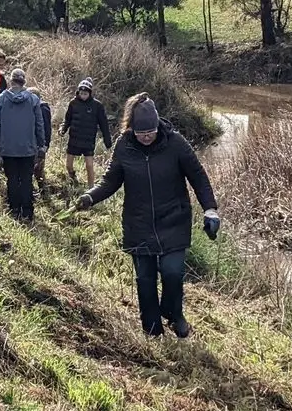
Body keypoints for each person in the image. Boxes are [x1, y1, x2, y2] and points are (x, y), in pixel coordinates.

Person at [76, 94, 220, 338]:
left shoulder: (175, 143)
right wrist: (90, 197)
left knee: (173, 273)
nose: (146, 137)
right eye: (141, 133)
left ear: (158, 126)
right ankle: (152, 330)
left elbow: (198, 175)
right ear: (132, 129)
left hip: (173, 220)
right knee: (145, 280)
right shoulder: (124, 145)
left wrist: (210, 209)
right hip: (139, 223)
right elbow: (110, 180)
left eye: (151, 132)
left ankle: (174, 314)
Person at [0, 68, 46, 222]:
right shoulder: (34, 100)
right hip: (28, 148)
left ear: (11, 81)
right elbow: (39, 125)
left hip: (7, 147)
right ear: (24, 82)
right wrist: (41, 145)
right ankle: (27, 213)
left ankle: (14, 210)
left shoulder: (1, 99)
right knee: (27, 179)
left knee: (12, 178)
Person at [60, 77, 112, 186]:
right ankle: (73, 178)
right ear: (78, 92)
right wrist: (63, 129)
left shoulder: (97, 106)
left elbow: (104, 125)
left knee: (89, 165)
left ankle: (91, 189)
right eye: (81, 93)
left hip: (88, 140)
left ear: (90, 93)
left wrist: (108, 142)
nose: (83, 96)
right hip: (74, 138)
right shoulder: (73, 103)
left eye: (85, 93)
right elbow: (67, 119)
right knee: (68, 165)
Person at [27, 87, 51, 193]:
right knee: (29, 168)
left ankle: (42, 190)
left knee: (38, 169)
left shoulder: (43, 109)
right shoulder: (26, 108)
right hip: (28, 143)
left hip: (40, 144)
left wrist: (45, 145)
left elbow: (47, 129)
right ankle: (31, 189)